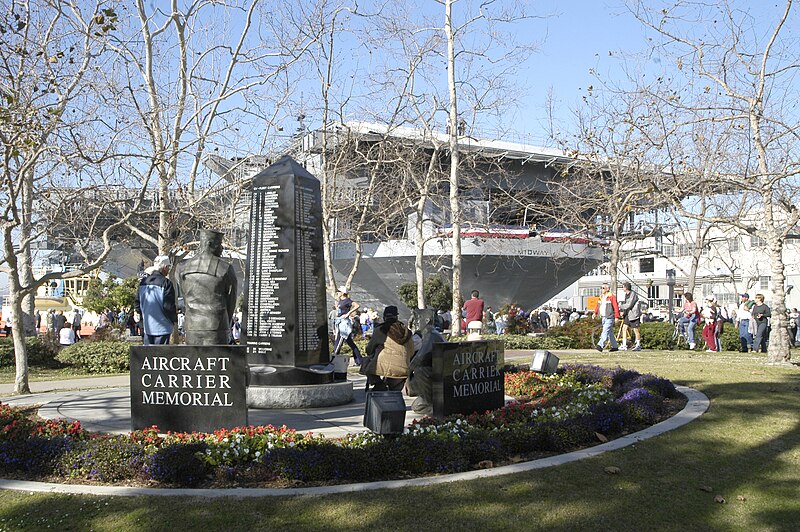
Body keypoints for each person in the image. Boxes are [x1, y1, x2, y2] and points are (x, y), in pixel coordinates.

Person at [178, 230, 238, 346]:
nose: (221, 249)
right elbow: (231, 301)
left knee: (195, 362)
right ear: (210, 244)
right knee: (217, 362)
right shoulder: (225, 268)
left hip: (192, 325)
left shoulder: (184, 268)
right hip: (217, 325)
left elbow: (185, 297)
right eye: (219, 245)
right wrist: (226, 321)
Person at [363, 305, 414, 392]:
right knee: (394, 392)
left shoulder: (381, 329)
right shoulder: (406, 331)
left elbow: (369, 349)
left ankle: (378, 384)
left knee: (366, 362)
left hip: (384, 368)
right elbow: (411, 351)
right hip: (404, 368)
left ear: (384, 317)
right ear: (397, 317)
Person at [135, 255, 178, 345]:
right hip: (163, 327)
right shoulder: (166, 283)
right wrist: (174, 319)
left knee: (148, 356)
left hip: (147, 326)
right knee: (161, 356)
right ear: (165, 267)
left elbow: (137, 304)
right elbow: (168, 306)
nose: (168, 270)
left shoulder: (143, 282)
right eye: (168, 267)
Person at [333, 287, 362, 365]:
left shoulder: (348, 301)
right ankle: (359, 360)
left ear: (342, 293)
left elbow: (357, 306)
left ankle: (334, 358)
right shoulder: (340, 301)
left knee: (339, 340)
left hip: (344, 324)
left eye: (339, 292)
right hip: (339, 322)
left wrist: (348, 313)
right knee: (350, 342)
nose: (337, 293)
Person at [593, 283, 620, 352]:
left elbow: (616, 307)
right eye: (601, 288)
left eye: (603, 288)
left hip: (609, 317)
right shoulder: (601, 297)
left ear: (607, 289)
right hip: (603, 317)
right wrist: (595, 313)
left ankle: (600, 345)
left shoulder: (611, 297)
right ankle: (615, 346)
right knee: (609, 332)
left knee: (605, 331)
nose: (601, 289)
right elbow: (598, 306)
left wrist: (617, 316)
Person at [619, 282, 642, 351]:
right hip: (628, 314)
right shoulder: (626, 295)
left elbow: (629, 305)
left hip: (634, 315)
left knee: (635, 330)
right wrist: (623, 312)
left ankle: (638, 345)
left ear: (626, 288)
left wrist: (620, 306)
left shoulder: (633, 294)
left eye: (623, 287)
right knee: (624, 328)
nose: (622, 288)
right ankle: (624, 345)